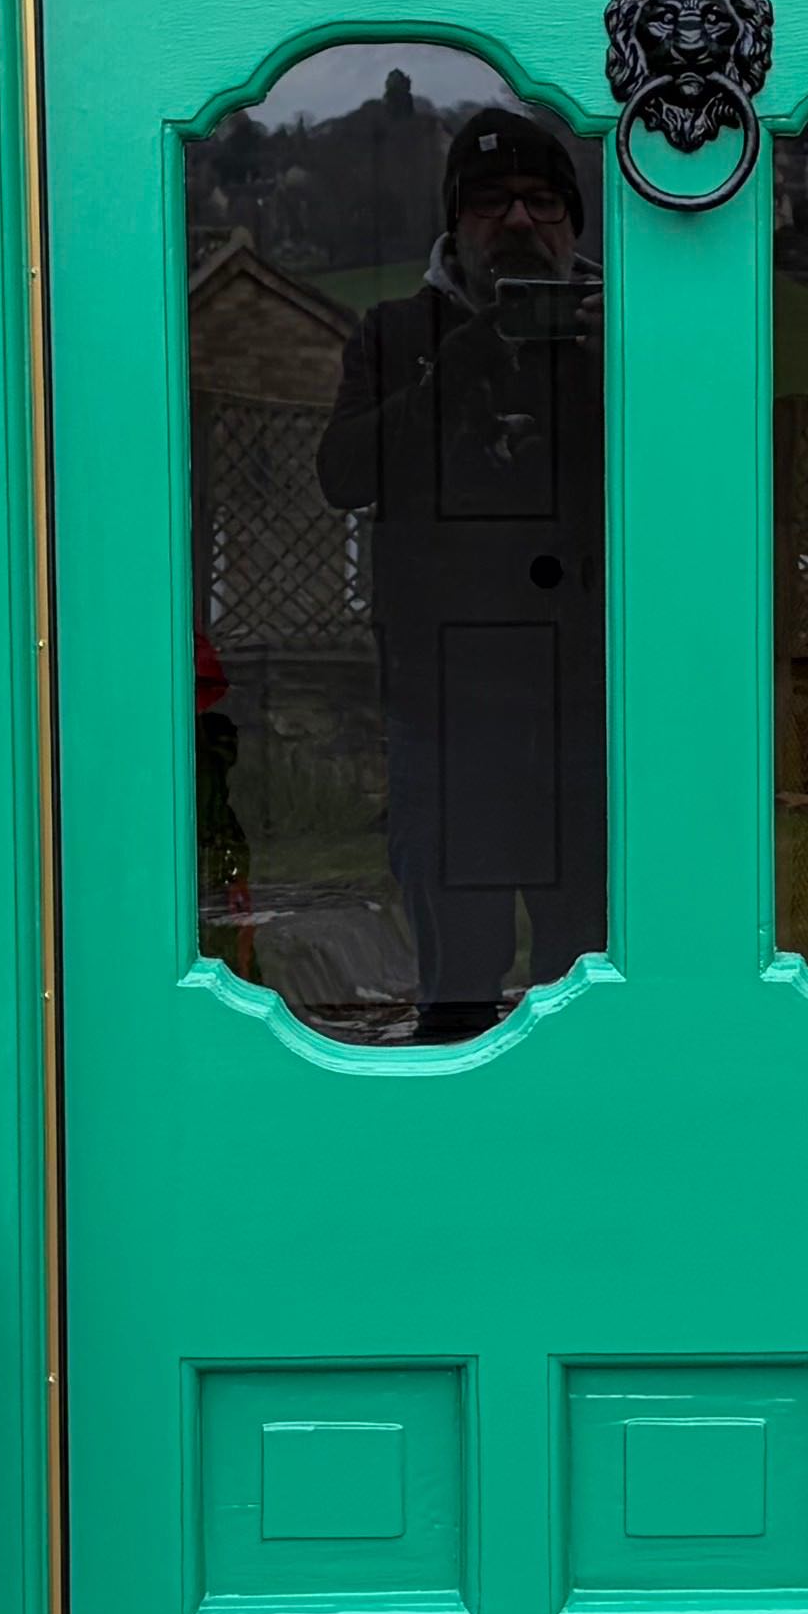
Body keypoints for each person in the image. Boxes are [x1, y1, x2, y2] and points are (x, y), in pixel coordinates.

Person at [316, 105, 609, 1036]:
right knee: (457, 981)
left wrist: (619, 369)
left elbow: (704, 487)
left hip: (594, 707)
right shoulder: (396, 333)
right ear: (454, 221)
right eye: (490, 201)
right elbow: (343, 473)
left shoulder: (627, 331)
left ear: (574, 222)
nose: (518, 220)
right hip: (447, 710)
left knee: (593, 974)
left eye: (542, 201)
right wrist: (460, 365)